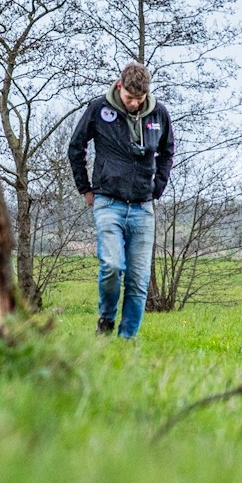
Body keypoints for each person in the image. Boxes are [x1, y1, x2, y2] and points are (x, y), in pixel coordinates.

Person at [67, 62, 176, 339]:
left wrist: (157, 188)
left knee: (139, 281)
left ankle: (126, 341)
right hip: (108, 202)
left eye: (139, 99)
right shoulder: (99, 109)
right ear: (119, 86)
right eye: (129, 98)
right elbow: (76, 147)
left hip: (142, 207)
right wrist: (85, 188)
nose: (134, 103)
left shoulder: (159, 114)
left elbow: (167, 152)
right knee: (113, 265)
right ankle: (106, 319)